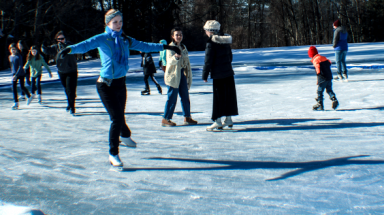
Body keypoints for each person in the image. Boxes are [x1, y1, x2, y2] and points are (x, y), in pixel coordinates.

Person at [57, 9, 181, 167]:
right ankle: (113, 153)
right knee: (116, 118)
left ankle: (125, 134)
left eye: (120, 21)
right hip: (105, 85)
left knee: (120, 116)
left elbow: (145, 46)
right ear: (108, 23)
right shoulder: (102, 38)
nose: (118, 24)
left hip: (120, 84)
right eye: (114, 22)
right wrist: (69, 49)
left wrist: (167, 48)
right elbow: (86, 45)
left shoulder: (125, 40)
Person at [202, 20, 238, 131]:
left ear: (210, 31)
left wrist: (205, 75)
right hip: (228, 73)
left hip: (218, 75)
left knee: (218, 98)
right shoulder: (226, 41)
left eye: (206, 30)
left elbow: (208, 60)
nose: (205, 32)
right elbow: (230, 57)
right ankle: (228, 119)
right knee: (228, 96)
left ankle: (217, 121)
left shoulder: (211, 42)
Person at [162, 27, 198, 127]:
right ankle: (166, 118)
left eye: (180, 35)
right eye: (177, 35)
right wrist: (176, 57)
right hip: (173, 75)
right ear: (173, 36)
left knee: (185, 96)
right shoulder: (170, 47)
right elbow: (169, 61)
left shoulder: (183, 47)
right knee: (172, 97)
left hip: (182, 74)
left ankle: (187, 117)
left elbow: (186, 60)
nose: (179, 36)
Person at [41, 31, 78, 114]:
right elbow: (47, 51)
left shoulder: (70, 46)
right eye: (59, 39)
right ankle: (70, 103)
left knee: (70, 90)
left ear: (65, 39)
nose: (60, 40)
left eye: (62, 38)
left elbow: (77, 48)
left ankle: (72, 107)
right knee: (66, 89)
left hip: (72, 71)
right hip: (61, 71)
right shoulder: (55, 47)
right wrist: (43, 46)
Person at [308, 46, 339, 111]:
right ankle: (333, 98)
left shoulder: (316, 59)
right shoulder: (323, 57)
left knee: (320, 91)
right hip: (329, 76)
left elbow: (317, 66)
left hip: (323, 78)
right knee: (329, 90)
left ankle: (320, 104)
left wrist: (319, 74)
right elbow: (329, 62)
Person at [8, 43, 33, 109]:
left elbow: (20, 66)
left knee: (22, 87)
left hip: (20, 74)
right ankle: (16, 103)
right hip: (14, 74)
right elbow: (12, 66)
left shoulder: (19, 56)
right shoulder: (10, 57)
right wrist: (13, 74)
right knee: (14, 88)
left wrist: (16, 75)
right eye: (12, 49)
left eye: (14, 49)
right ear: (10, 50)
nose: (13, 50)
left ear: (16, 50)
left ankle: (29, 96)